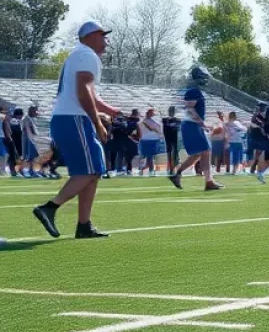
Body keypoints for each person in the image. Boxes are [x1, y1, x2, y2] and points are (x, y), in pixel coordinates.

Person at [32, 21, 121, 239]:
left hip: (69, 118)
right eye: (103, 36)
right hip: (74, 119)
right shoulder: (87, 56)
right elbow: (83, 91)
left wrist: (109, 110)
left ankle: (84, 225)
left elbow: (88, 92)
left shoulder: (80, 55)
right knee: (89, 170)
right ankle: (50, 207)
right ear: (91, 36)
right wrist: (98, 122)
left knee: (94, 169)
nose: (106, 41)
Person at [168, 67, 223, 191]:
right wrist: (201, 122)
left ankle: (177, 174)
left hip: (192, 125)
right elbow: (190, 109)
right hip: (192, 125)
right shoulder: (193, 91)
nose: (205, 79)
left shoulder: (194, 91)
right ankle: (209, 181)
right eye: (203, 76)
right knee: (206, 150)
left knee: (198, 153)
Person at [20, 105, 53, 178]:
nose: (36, 113)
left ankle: (32, 171)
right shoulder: (26, 119)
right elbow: (26, 130)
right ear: (31, 111)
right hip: (29, 140)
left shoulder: (30, 118)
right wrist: (32, 139)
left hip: (32, 139)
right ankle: (25, 171)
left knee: (32, 157)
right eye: (35, 111)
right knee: (28, 157)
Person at [138, 107, 164, 175]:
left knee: (150, 156)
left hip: (153, 139)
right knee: (149, 156)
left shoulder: (154, 120)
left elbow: (159, 129)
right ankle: (151, 170)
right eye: (151, 113)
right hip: (146, 139)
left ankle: (143, 169)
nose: (153, 114)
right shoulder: (143, 121)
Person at [162, 106, 180, 173]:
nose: (171, 112)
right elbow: (165, 128)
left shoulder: (178, 120)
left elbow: (176, 127)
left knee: (174, 154)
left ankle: (173, 168)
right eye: (170, 111)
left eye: (172, 111)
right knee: (169, 154)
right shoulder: (164, 120)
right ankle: (171, 169)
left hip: (175, 139)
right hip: (168, 139)